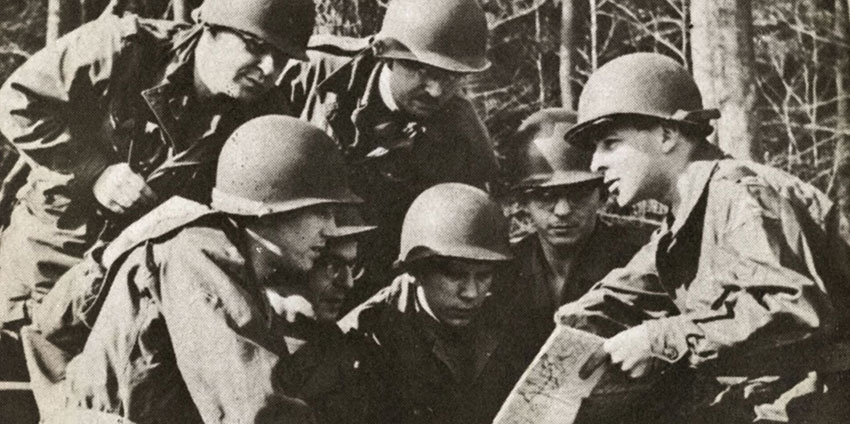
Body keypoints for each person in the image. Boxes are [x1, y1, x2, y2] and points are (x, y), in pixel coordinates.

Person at [554, 53, 850, 423]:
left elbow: (792, 310)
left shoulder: (740, 196)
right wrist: (571, 326)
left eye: (610, 143)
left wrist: (658, 338)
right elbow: (632, 290)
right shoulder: (687, 216)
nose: (595, 163)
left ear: (667, 135)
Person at [0, 0, 314, 334]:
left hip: (137, 293)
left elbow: (268, 217)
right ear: (211, 27)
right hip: (49, 268)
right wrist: (96, 172)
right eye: (255, 47)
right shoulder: (122, 49)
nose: (269, 69)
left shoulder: (265, 119)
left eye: (282, 58)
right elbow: (17, 102)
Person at [42, 116, 362, 423]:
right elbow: (250, 408)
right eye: (321, 212)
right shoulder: (199, 253)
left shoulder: (228, 259)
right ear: (268, 208)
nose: (330, 229)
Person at [279, 0, 499, 308]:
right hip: (284, 268)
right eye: (421, 70)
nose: (435, 90)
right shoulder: (316, 72)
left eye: (450, 76)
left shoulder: (462, 137)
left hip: (376, 287)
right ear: (386, 54)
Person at [339, 183, 534, 424]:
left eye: (483, 275)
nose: (471, 293)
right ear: (417, 270)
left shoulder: (508, 318)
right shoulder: (368, 336)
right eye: (454, 274)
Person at [505, 108, 646, 349]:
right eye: (545, 196)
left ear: (601, 195)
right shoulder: (504, 271)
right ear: (523, 202)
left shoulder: (639, 262)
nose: (562, 210)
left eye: (578, 194)